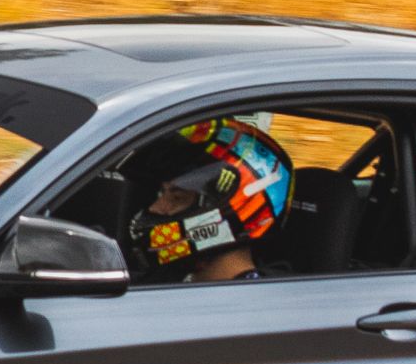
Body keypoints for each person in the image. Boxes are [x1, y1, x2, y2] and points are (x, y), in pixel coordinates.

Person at [124, 116, 291, 282]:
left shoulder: (252, 297)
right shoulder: (174, 280)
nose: (155, 207)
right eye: (161, 194)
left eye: (177, 197)